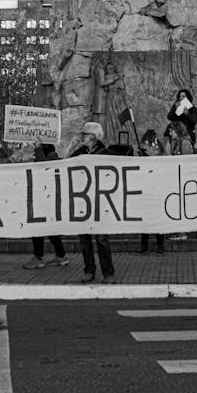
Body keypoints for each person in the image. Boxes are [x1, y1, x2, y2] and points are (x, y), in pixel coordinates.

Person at [71, 121, 115, 283]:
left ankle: (108, 273)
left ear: (93, 137)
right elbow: (66, 164)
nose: (81, 137)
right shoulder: (80, 152)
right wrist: (72, 146)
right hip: (83, 202)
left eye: (84, 134)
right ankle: (89, 270)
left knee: (102, 239)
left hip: (100, 202)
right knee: (84, 240)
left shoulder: (105, 153)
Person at [23, 143, 69, 270]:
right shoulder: (52, 158)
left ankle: (39, 257)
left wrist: (38, 149)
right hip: (49, 200)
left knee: (38, 228)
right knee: (51, 230)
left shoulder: (50, 159)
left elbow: (43, 168)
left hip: (45, 200)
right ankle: (61, 256)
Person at [138, 129, 165, 254]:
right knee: (152, 218)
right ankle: (158, 246)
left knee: (150, 218)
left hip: (151, 186)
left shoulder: (150, 149)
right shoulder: (155, 148)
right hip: (154, 186)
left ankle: (147, 246)